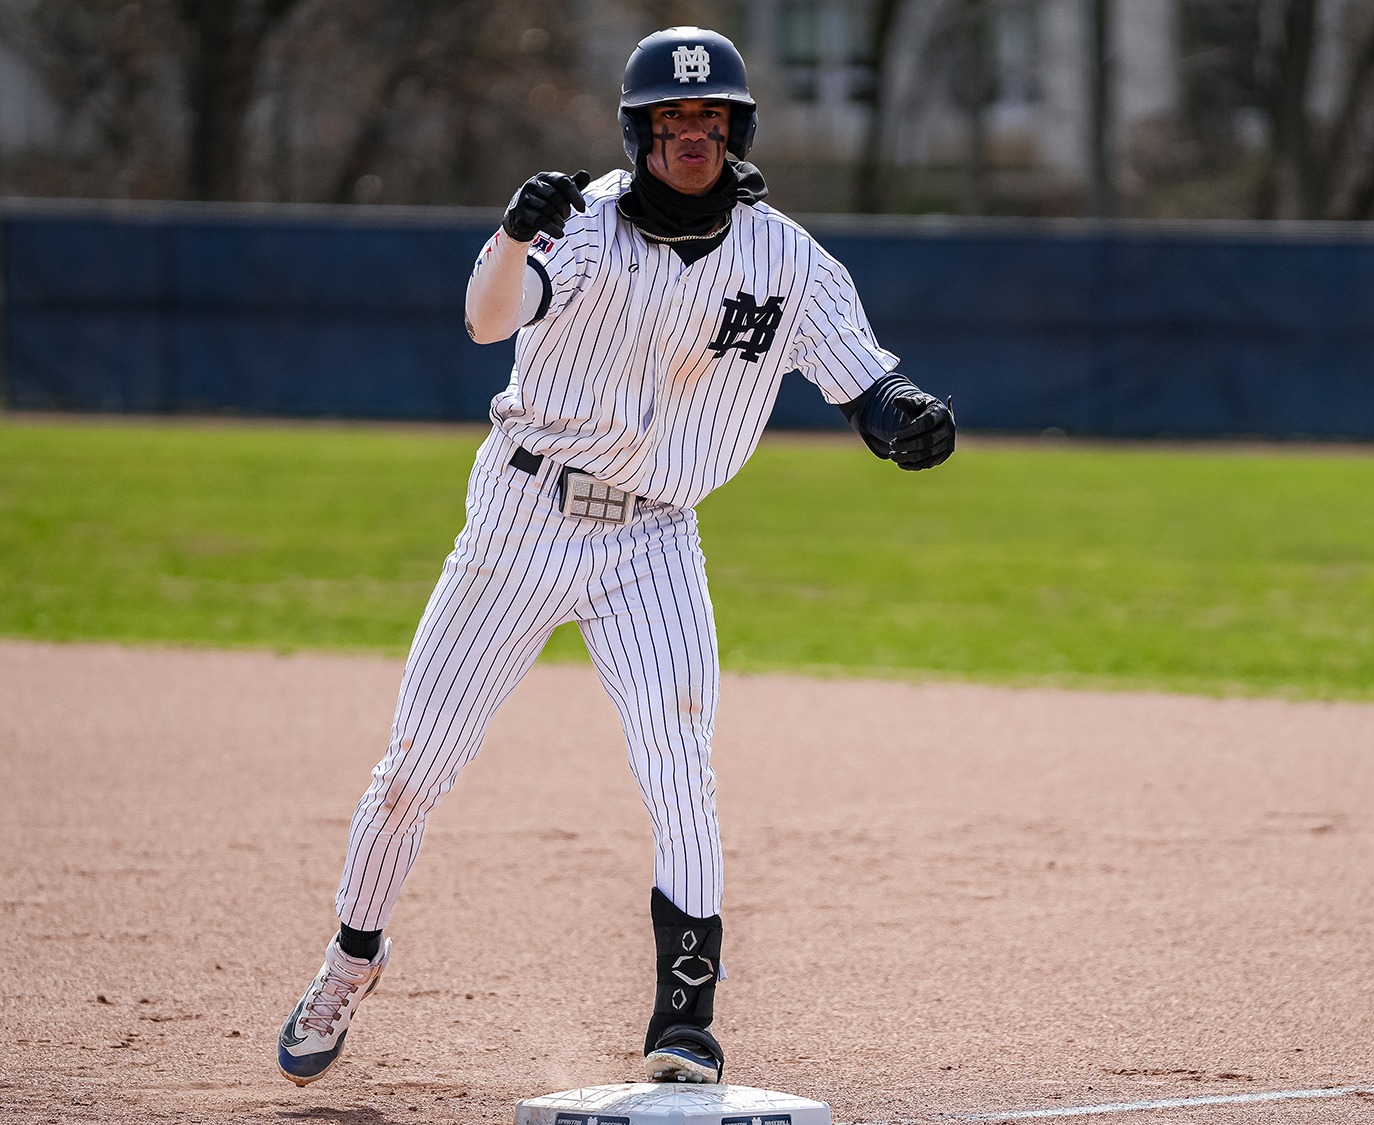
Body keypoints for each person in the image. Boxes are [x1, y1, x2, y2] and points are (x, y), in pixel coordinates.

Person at [277, 27, 955, 1088]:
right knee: (417, 764)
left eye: (711, 118)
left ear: (737, 132)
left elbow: (863, 379)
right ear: (639, 133)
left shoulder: (786, 258)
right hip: (523, 517)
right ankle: (350, 960)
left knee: (679, 757)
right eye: (672, 120)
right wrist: (512, 235)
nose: (693, 136)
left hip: (655, 537)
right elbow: (486, 320)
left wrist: (904, 415)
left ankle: (685, 1021)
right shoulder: (582, 227)